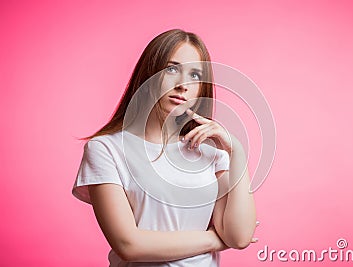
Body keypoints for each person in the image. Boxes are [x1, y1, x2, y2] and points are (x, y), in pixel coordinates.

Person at [72, 29, 257, 267]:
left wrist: (237, 153)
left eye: (194, 75)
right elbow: (129, 245)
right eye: (172, 69)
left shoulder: (211, 154)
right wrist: (214, 240)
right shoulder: (106, 149)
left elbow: (239, 237)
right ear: (149, 75)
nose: (183, 85)